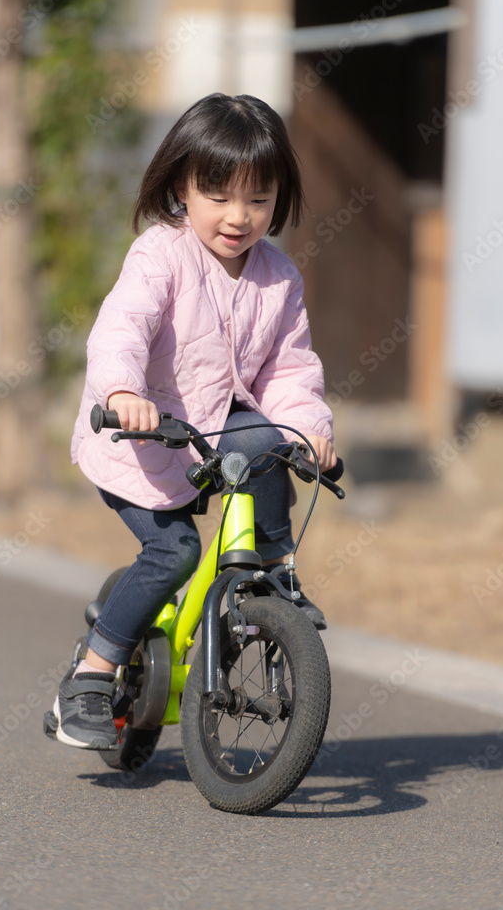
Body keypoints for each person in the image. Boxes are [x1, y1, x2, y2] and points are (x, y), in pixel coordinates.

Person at [52, 92, 336, 749]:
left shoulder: (278, 277)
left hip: (217, 439)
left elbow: (288, 373)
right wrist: (123, 391)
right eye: (218, 195)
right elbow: (123, 326)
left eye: (258, 199)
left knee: (268, 438)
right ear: (180, 185)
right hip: (142, 446)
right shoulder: (160, 256)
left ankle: (272, 571)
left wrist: (310, 433)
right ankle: (91, 676)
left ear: (279, 199)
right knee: (174, 548)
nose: (238, 217)